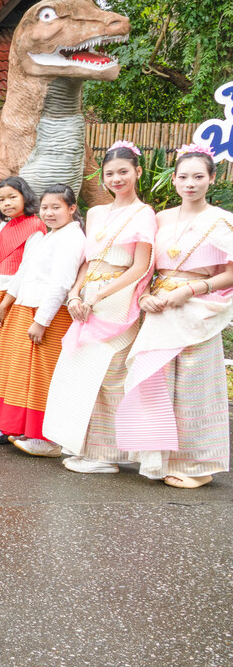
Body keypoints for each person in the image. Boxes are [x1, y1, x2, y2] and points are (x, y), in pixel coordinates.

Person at [117, 147, 233, 487]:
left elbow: (230, 273)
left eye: (198, 177)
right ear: (174, 179)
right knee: (156, 385)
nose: (190, 183)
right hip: (160, 308)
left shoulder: (223, 220)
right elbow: (145, 266)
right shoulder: (161, 218)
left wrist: (191, 290)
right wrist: (145, 296)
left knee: (195, 387)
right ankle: (158, 460)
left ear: (212, 178)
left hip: (199, 310)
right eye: (183, 177)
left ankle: (199, 467)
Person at [42, 143, 155, 474]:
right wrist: (75, 294)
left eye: (123, 172)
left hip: (118, 299)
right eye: (110, 173)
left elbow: (140, 267)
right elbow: (88, 261)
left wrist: (99, 295)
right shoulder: (95, 213)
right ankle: (83, 445)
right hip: (88, 296)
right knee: (80, 373)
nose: (116, 179)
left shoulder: (144, 213)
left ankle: (108, 455)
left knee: (110, 376)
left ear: (137, 172)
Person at [1, 184, 86, 457]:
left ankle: (49, 439)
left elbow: (62, 282)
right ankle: (33, 432)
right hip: (32, 310)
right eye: (45, 207)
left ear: (71, 208)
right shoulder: (49, 236)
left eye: (56, 207)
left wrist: (42, 320)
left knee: (45, 376)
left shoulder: (72, 238)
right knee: (31, 376)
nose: (48, 213)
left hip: (51, 315)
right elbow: (26, 273)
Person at [0, 176, 45, 444]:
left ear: (25, 196)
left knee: (16, 364)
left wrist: (4, 304)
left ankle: (12, 426)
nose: (6, 203)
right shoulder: (3, 227)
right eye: (1, 199)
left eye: (12, 197)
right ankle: (0, 422)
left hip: (18, 302)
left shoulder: (36, 226)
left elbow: (26, 271)